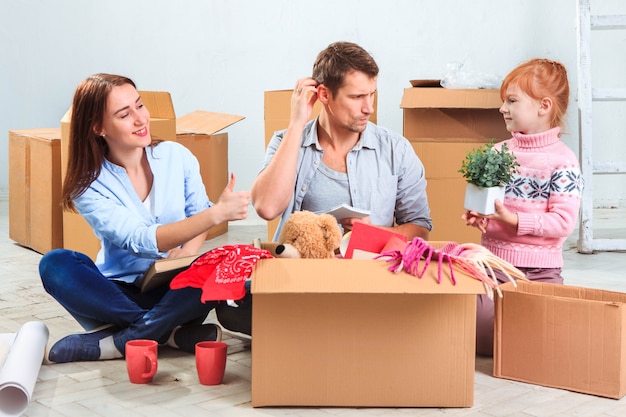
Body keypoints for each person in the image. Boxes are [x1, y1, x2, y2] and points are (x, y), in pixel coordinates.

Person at [39, 73, 251, 363]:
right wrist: (217, 214)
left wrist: (185, 253)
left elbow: (197, 213)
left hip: (175, 287)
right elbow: (139, 240)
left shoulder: (177, 156)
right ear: (99, 127)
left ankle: (125, 339)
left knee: (223, 264)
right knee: (55, 264)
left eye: (140, 106)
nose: (140, 120)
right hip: (119, 294)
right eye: (125, 114)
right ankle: (166, 332)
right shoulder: (87, 186)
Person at [251, 41, 432, 241]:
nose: (368, 108)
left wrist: (373, 234)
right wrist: (296, 124)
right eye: (357, 97)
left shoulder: (396, 150)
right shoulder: (286, 142)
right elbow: (267, 208)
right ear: (324, 95)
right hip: (304, 270)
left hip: (370, 269)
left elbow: (420, 230)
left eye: (371, 95)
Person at [462, 58, 583, 356]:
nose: (503, 108)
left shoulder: (563, 160)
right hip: (494, 267)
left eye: (512, 101)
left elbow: (563, 223)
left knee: (545, 339)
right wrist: (481, 218)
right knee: (477, 334)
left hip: (541, 271)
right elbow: (491, 210)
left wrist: (514, 220)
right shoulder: (497, 152)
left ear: (544, 106)